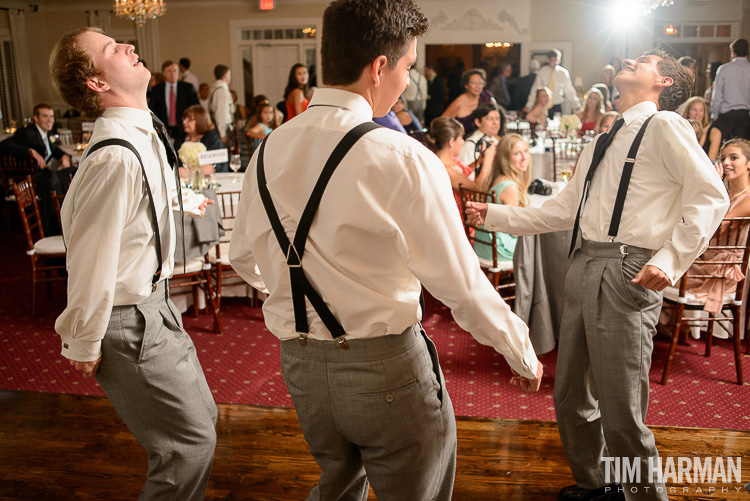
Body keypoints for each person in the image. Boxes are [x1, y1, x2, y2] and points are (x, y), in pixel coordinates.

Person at [228, 1, 542, 498]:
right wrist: (519, 348)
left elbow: (242, 257)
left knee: (337, 486)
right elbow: (460, 283)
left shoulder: (269, 147)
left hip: (301, 366)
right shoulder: (402, 157)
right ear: (379, 67)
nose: (407, 82)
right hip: (386, 373)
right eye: (407, 67)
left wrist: (301, 298)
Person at [467, 50, 728, 500]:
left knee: (622, 407)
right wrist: (490, 214)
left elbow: (711, 196)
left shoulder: (665, 125)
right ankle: (596, 485)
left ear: (662, 83)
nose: (629, 59)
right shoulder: (603, 137)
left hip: (627, 268)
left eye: (643, 60)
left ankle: (644, 496)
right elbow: (562, 210)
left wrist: (669, 259)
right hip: (583, 261)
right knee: (570, 395)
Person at [50, 27, 217, 500]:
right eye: (109, 50)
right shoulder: (115, 157)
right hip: (129, 319)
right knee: (187, 446)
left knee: (202, 421)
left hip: (158, 304)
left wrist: (187, 201)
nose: (125, 45)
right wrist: (83, 341)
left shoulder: (142, 131)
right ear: (96, 84)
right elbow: (91, 257)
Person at [0, 103, 74, 235]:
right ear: (36, 118)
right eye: (45, 116)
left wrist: (64, 156)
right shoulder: (28, 133)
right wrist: (30, 151)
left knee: (73, 171)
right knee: (54, 179)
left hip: (45, 176)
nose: (49, 120)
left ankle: (67, 218)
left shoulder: (46, 134)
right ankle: (53, 227)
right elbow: (3, 145)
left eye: (51, 116)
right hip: (33, 181)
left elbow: (55, 150)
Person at [473, 133, 531, 263]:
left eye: (526, 151)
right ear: (505, 158)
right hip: (499, 248)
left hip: (484, 245)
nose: (524, 157)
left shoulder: (497, 178)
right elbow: (515, 230)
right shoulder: (510, 187)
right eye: (517, 153)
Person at [426, 117, 493, 218]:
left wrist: (478, 161)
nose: (462, 141)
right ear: (451, 142)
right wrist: (487, 163)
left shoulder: (449, 160)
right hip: (460, 219)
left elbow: (462, 174)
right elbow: (477, 188)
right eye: (461, 138)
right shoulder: (446, 169)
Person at [148, 59, 200, 150]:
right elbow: (152, 110)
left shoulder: (187, 88)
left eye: (175, 71)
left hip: (184, 130)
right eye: (169, 71)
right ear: (163, 73)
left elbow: (196, 109)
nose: (172, 73)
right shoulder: (157, 90)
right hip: (164, 130)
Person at [712, 39, 750, 140]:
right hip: (744, 116)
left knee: (715, 142)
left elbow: (717, 94)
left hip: (726, 115)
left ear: (733, 52)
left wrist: (715, 114)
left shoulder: (724, 69)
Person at [441, 68, 496, 137]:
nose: (478, 86)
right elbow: (441, 124)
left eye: (481, 82)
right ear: (466, 85)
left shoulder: (487, 98)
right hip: (464, 142)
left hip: (486, 139)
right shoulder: (459, 103)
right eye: (474, 82)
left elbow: (497, 118)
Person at [525, 49, 580, 115]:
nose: (555, 63)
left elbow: (569, 91)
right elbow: (535, 89)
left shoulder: (563, 73)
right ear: (548, 59)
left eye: (556, 60)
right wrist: (529, 105)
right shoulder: (542, 72)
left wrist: (577, 106)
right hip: (543, 104)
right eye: (552, 60)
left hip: (557, 104)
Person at [458, 102, 504, 169]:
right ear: (478, 122)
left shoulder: (498, 141)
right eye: (490, 119)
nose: (495, 123)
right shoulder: (470, 145)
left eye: (497, 118)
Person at [182, 104, 227, 173]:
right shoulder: (180, 140)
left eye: (190, 119)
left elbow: (212, 167)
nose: (184, 122)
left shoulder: (212, 138)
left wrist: (188, 172)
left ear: (200, 120)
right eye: (184, 118)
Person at [208, 64, 234, 148]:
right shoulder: (221, 91)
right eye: (229, 74)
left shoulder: (216, 88)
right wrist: (222, 133)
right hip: (222, 128)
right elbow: (220, 113)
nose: (230, 77)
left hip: (218, 127)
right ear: (225, 75)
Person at [424, 62, 446, 127]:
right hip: (431, 109)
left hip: (436, 109)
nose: (425, 72)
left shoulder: (439, 80)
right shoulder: (428, 80)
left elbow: (442, 94)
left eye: (426, 70)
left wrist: (429, 97)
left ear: (430, 70)